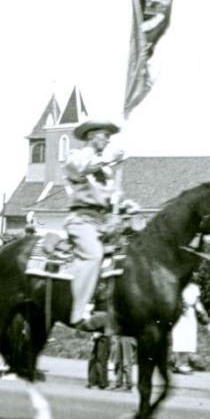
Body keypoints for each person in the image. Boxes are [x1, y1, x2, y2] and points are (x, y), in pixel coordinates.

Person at [62, 118, 125, 330]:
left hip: (104, 222)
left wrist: (122, 205)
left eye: (109, 137)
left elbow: (112, 197)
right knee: (93, 255)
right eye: (105, 136)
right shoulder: (75, 156)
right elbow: (79, 169)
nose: (108, 140)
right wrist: (107, 160)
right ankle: (77, 314)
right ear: (91, 135)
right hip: (82, 220)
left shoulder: (107, 171)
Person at [171, 275, 208, 374]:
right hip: (179, 314)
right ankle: (178, 364)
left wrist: (202, 312)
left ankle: (184, 363)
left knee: (189, 338)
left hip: (190, 314)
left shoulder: (194, 288)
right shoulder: (177, 285)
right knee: (179, 337)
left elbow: (197, 302)